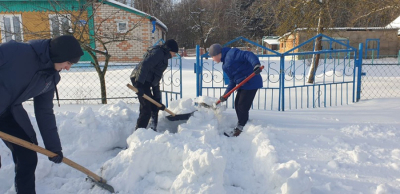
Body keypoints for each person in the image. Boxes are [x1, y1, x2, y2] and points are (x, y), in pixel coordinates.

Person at [0, 35, 84, 193]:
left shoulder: (50, 78)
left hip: (7, 112)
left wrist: (54, 148)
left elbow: (44, 112)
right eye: (68, 62)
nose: (68, 68)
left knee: (27, 156)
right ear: (60, 55)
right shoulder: (17, 52)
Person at [208, 43, 263, 137]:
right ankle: (242, 123)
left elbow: (248, 55)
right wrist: (225, 95)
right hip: (244, 85)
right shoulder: (225, 66)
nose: (213, 59)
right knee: (237, 104)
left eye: (212, 57)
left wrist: (256, 65)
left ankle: (241, 127)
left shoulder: (232, 54)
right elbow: (232, 81)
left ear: (217, 54)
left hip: (252, 82)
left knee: (242, 105)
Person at [130, 39, 179, 131]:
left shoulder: (164, 57)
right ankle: (139, 134)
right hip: (139, 79)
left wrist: (157, 99)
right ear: (169, 50)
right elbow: (145, 65)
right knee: (146, 109)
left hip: (145, 81)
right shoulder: (158, 53)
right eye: (174, 52)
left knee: (154, 105)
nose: (175, 55)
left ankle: (153, 129)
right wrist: (139, 85)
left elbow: (156, 78)